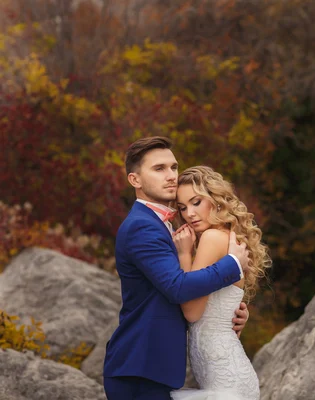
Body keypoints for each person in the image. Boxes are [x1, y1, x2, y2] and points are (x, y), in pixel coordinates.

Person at [103, 137, 250, 400]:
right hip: (140, 367)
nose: (171, 175)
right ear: (135, 180)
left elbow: (191, 285)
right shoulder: (141, 226)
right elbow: (178, 287)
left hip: (154, 368)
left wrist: (229, 309)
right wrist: (233, 265)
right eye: (159, 169)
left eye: (173, 167)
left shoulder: (172, 225)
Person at [170, 165, 271, 400]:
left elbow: (192, 312)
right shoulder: (226, 238)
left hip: (227, 384)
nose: (189, 214)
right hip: (230, 375)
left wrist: (183, 254)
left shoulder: (213, 238)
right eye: (183, 207)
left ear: (216, 200)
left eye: (196, 202)